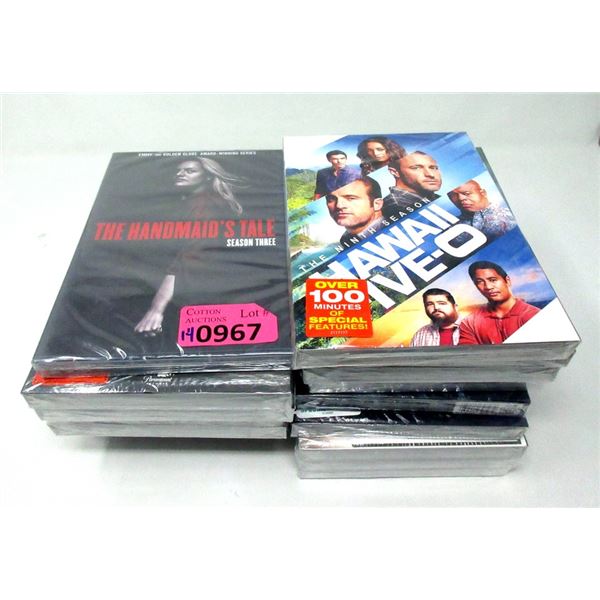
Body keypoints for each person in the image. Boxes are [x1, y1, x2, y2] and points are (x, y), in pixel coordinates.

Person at [134, 157, 242, 334]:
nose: (180, 174)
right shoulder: (192, 202)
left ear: (207, 177)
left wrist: (157, 309)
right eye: (179, 170)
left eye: (190, 171)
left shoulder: (204, 206)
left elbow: (187, 257)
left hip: (199, 288)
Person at [459, 260, 540, 345]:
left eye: (493, 280)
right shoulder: (469, 323)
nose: (488, 287)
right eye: (480, 282)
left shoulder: (533, 315)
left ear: (507, 281)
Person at [326, 177, 384, 246]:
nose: (339, 206)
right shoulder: (346, 240)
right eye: (331, 200)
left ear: (377, 204)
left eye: (351, 198)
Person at [448, 179, 516, 240]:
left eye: (467, 193)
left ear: (483, 193)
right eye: (454, 196)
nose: (460, 198)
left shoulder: (507, 216)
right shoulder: (451, 226)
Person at [383, 151, 442, 218]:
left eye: (433, 168)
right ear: (395, 172)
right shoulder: (396, 205)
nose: (431, 174)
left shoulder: (430, 197)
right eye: (416, 168)